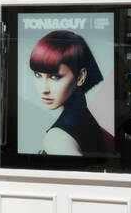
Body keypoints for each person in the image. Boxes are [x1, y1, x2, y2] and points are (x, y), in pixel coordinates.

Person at [29, 29, 114, 157]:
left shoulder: (57, 139)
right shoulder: (85, 119)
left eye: (55, 77)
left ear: (80, 77)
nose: (44, 89)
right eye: (38, 75)